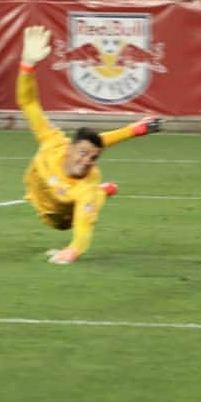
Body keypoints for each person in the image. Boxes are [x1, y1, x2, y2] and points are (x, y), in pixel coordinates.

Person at [16, 25, 162, 265]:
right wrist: (27, 66)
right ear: (70, 148)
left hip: (62, 219)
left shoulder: (85, 185)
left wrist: (73, 251)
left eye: (93, 158)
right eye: (83, 154)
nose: (86, 162)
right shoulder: (53, 142)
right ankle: (107, 189)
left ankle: (105, 191)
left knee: (93, 198)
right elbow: (28, 102)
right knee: (93, 164)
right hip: (38, 196)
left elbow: (84, 225)